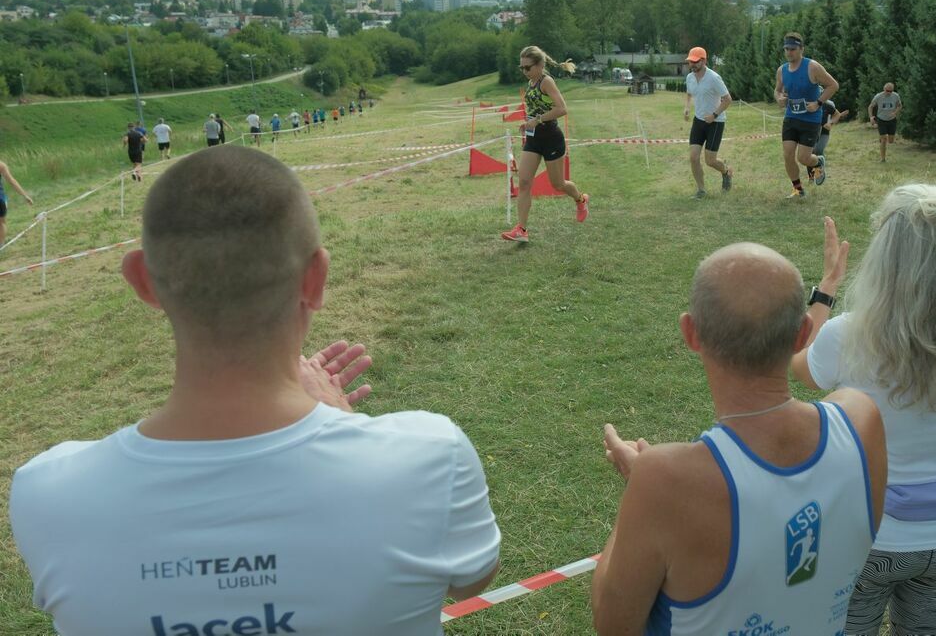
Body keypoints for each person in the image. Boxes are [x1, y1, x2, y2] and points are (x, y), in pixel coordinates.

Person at [10, 146, 501, 635]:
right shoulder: (431, 457)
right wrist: (348, 430)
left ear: (142, 280)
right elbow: (472, 581)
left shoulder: (48, 492)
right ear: (317, 277)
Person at [591, 239, 886, 634]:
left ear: (690, 334)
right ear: (802, 335)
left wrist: (641, 489)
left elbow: (613, 625)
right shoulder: (862, 420)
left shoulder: (664, 477)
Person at [790, 190, 936, 636]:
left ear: (883, 257)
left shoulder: (849, 335)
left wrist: (826, 287)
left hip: (864, 534)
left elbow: (802, 365)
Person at [500, 45, 590, 243]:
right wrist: (528, 123)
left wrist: (537, 120)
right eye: (521, 68)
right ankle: (521, 230)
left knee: (558, 184)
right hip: (534, 138)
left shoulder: (546, 81)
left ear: (540, 65)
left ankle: (581, 199)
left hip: (551, 137)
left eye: (528, 67)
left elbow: (562, 109)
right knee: (524, 182)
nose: (524, 72)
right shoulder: (532, 83)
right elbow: (535, 110)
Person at [774, 31, 839, 197]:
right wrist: (779, 98)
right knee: (788, 155)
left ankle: (818, 161)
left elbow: (833, 85)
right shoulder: (782, 70)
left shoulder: (812, 67)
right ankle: (798, 190)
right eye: (787, 49)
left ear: (801, 49)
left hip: (810, 119)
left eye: (793, 49)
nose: (789, 52)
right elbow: (777, 90)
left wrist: (818, 103)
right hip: (791, 117)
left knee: (803, 158)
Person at [682, 46, 733, 199]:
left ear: (704, 61)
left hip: (715, 122)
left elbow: (728, 99)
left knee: (710, 161)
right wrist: (687, 107)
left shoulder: (714, 78)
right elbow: (689, 93)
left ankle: (726, 171)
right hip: (698, 121)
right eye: (690, 62)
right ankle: (701, 190)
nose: (692, 65)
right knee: (693, 157)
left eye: (695, 62)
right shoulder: (690, 77)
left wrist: (714, 114)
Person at [0, 159, 35, 246]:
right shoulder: (1, 165)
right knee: (2, 223)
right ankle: (1, 245)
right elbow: (12, 182)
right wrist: (25, 195)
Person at [869, 83, 903, 163]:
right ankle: (883, 159)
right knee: (884, 139)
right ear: (884, 89)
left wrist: (895, 112)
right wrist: (871, 117)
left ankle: (882, 138)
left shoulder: (896, 96)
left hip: (892, 120)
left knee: (891, 141)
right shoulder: (878, 96)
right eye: (887, 91)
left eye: (890, 91)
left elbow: (900, 106)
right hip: (881, 119)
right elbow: (870, 106)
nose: (889, 93)